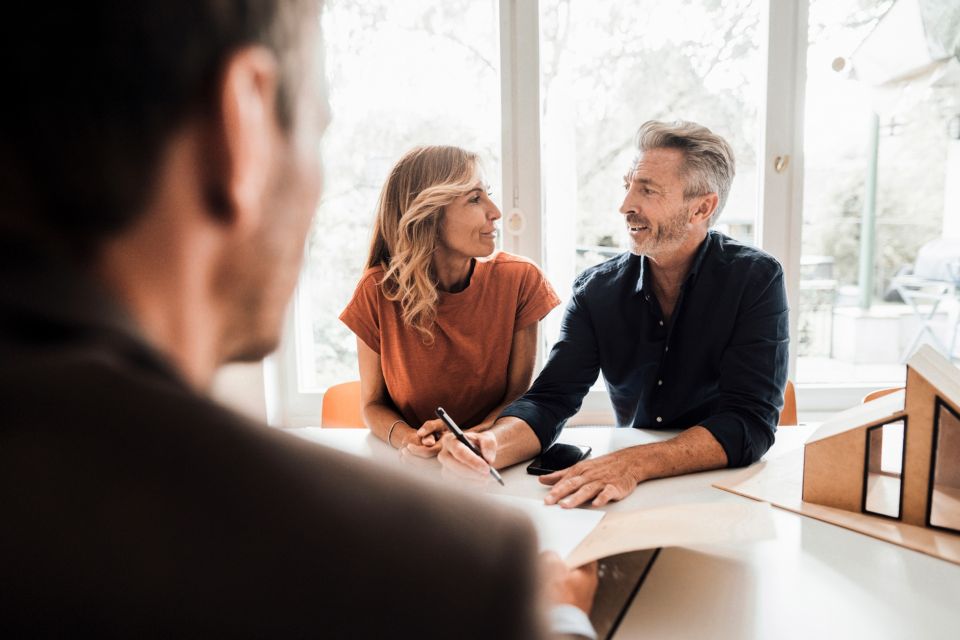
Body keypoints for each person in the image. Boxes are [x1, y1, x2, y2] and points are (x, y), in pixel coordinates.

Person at [0, 2, 596, 636]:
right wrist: (559, 618)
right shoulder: (449, 570)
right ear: (243, 121)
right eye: (316, 130)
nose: (495, 212)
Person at [438, 120, 789, 509]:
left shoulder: (756, 279)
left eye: (648, 190)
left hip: (728, 489)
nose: (625, 206)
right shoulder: (596, 291)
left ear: (701, 208)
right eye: (628, 186)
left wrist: (635, 463)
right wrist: (490, 445)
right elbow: (551, 398)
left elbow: (750, 422)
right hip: (633, 493)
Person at [340, 146, 560, 456]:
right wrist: (410, 440)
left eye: (488, 194)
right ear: (428, 216)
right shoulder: (376, 291)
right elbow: (373, 404)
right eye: (474, 199)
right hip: (413, 466)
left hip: (493, 455)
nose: (495, 211)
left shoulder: (520, 281)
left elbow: (517, 398)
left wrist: (470, 441)